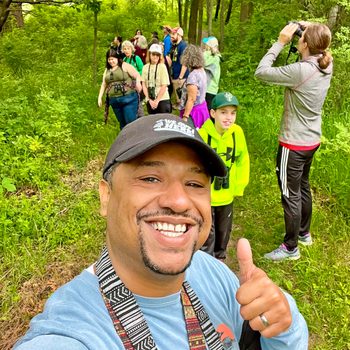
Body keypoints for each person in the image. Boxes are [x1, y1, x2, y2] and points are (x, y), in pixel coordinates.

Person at [14, 114, 308, 349]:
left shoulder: (211, 272)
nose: (179, 201)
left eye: (194, 184)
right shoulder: (75, 332)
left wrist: (285, 323)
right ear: (106, 196)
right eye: (151, 178)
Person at [255, 22, 333, 261]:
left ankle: (290, 248)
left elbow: (261, 72)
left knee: (291, 193)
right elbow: (322, 42)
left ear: (306, 44)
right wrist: (307, 27)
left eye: (302, 37)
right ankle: (304, 233)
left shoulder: (299, 71)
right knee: (303, 186)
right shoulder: (327, 64)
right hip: (311, 141)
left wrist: (280, 42)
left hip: (294, 143)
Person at [199, 92, 250, 261]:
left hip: (227, 194)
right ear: (213, 113)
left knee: (223, 232)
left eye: (233, 113)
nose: (229, 117)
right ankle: (207, 262)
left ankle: (220, 260)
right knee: (207, 233)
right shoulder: (203, 135)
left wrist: (239, 185)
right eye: (223, 112)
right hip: (207, 196)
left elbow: (243, 159)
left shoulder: (237, 133)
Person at [98, 48, 142, 129]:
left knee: (130, 122)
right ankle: (125, 140)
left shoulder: (124, 66)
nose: (111, 61)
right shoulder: (107, 70)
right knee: (122, 124)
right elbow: (104, 84)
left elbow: (137, 75)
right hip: (115, 101)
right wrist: (100, 97)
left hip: (128, 99)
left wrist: (138, 83)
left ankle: (135, 139)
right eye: (109, 59)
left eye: (113, 59)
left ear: (117, 58)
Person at [179, 44, 210, 129]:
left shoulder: (193, 75)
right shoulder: (202, 70)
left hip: (194, 112)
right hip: (202, 107)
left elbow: (192, 99)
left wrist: (185, 117)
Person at [141, 44, 171, 114]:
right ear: (149, 54)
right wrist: (149, 99)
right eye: (153, 54)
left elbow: (164, 85)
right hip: (150, 98)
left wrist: (157, 100)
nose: (155, 57)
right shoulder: (145, 67)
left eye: (157, 55)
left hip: (162, 99)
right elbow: (144, 84)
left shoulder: (162, 67)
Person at [168, 27, 189, 109]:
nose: (171, 36)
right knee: (178, 97)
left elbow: (185, 63)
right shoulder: (174, 46)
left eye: (173, 34)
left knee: (182, 98)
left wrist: (180, 77)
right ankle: (178, 106)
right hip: (175, 74)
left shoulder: (183, 46)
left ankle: (183, 115)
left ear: (179, 35)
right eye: (171, 35)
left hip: (181, 76)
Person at [122, 40, 145, 118]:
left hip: (136, 81)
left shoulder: (136, 58)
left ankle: (141, 117)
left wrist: (136, 77)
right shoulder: (124, 60)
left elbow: (142, 69)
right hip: (127, 84)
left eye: (128, 48)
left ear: (131, 49)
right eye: (124, 49)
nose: (126, 50)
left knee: (138, 101)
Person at [202, 36, 222, 110]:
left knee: (208, 111)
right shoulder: (213, 57)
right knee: (207, 110)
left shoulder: (215, 58)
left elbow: (203, 62)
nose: (204, 46)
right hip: (208, 88)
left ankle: (210, 122)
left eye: (205, 45)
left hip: (210, 88)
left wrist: (207, 52)